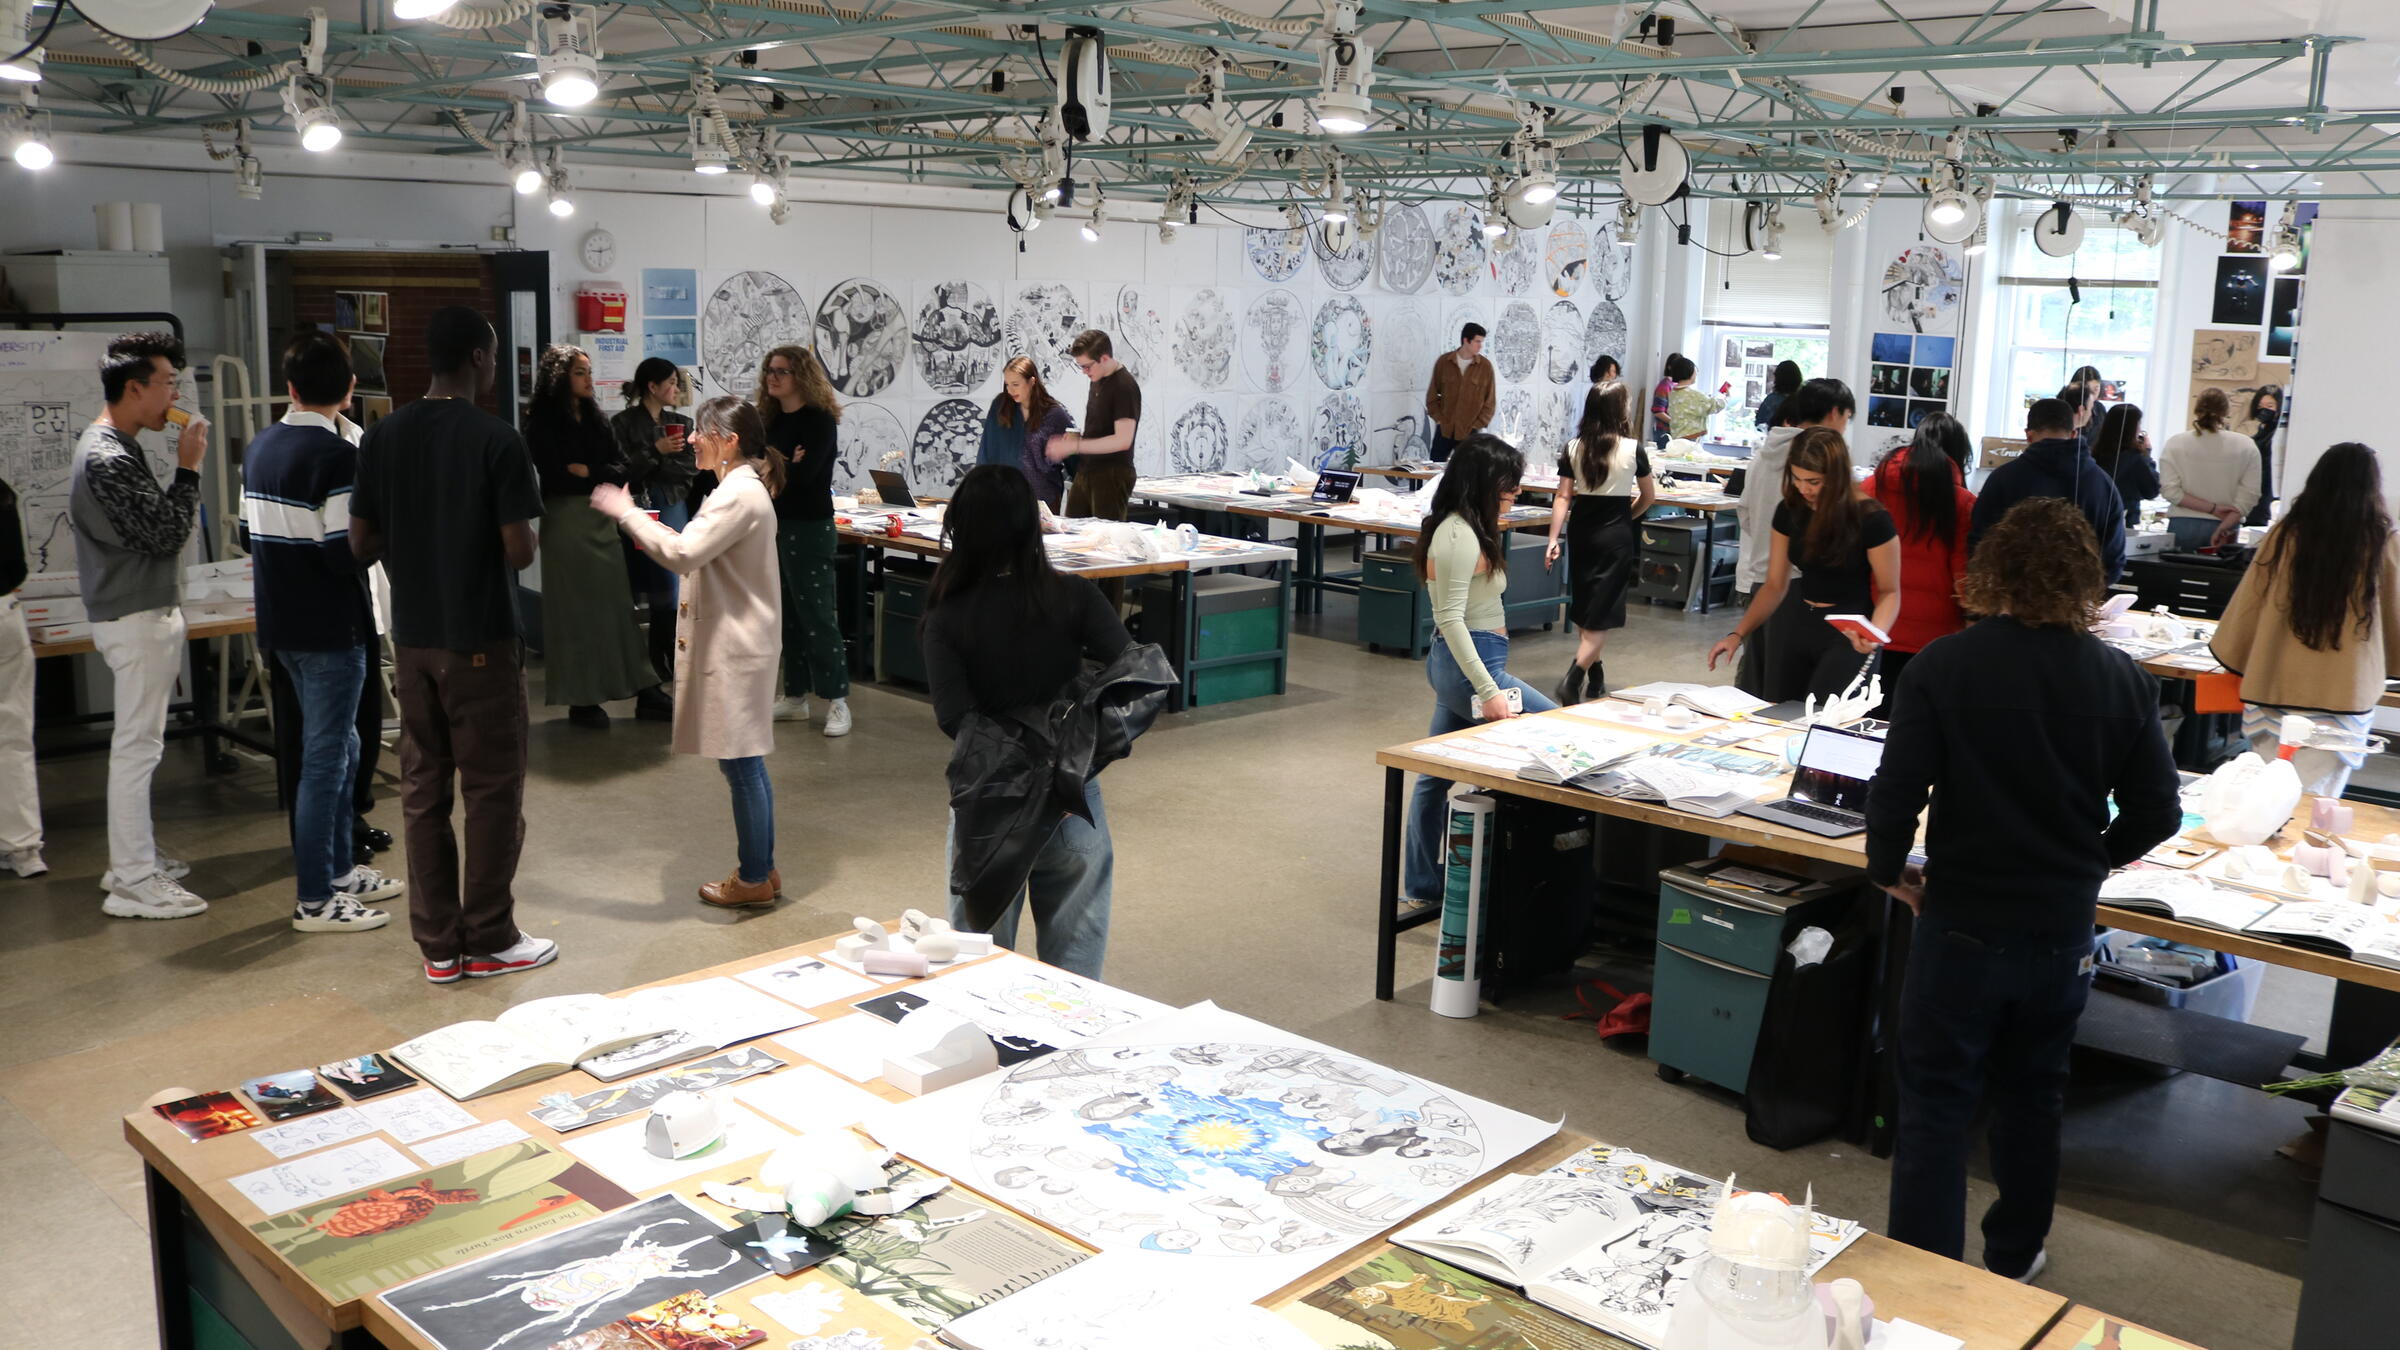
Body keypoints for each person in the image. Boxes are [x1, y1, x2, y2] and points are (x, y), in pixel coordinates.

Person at [1865, 497, 2182, 1282]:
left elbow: (1895, 793)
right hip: (2058, 927)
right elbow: (2159, 811)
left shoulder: (1943, 665)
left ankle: (1931, 1275)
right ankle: (2015, 1256)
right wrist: (2093, 862)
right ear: (2086, 581)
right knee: (2034, 1094)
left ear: (1994, 570)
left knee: (1937, 1099)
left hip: (1961, 915)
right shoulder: (2121, 680)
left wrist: (1886, 871)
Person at [351, 306, 556, 983]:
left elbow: (360, 543)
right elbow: (520, 550)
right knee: (493, 792)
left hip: (412, 640)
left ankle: (440, 945)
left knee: (422, 790)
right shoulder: (497, 440)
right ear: (475, 357)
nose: (494, 366)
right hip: (481, 639)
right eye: (492, 355)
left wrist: (416, 541)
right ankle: (491, 935)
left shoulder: (382, 438)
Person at [924, 465, 1139, 978]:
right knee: (1076, 970)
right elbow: (1138, 672)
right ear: (1031, 526)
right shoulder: (1073, 595)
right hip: (1071, 794)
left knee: (980, 965)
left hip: (989, 802)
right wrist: (1083, 746)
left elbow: (955, 717)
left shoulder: (948, 614)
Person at [593, 396, 787, 906]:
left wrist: (628, 514)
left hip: (738, 645)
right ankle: (762, 870)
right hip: (744, 640)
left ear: (730, 441)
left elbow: (681, 553)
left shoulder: (737, 495)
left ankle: (752, 879)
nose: (693, 439)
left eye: (702, 432)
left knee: (741, 763)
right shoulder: (738, 490)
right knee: (745, 761)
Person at [241, 331, 403, 933]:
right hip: (332, 628)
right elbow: (347, 553)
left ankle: (339, 872)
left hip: (281, 624)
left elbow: (243, 533)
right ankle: (315, 899)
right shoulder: (340, 458)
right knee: (327, 760)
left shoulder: (260, 448)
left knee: (344, 749)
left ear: (290, 388)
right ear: (351, 389)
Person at [69, 332, 210, 919]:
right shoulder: (106, 457)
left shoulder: (117, 447)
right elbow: (167, 535)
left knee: (139, 747)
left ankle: (135, 858)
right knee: (137, 750)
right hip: (134, 617)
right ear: (135, 388)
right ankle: (131, 879)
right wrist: (188, 468)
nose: (175, 395)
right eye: (168, 384)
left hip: (139, 613)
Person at [1403, 434, 1558, 907]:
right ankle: (1518, 875)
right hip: (1469, 669)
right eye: (1507, 486)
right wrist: (1489, 689)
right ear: (1483, 482)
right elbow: (1449, 619)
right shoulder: (1456, 535)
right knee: (1557, 727)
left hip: (1468, 666)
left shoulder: (1468, 526)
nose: (1513, 495)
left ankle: (1424, 885)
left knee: (1434, 777)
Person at [2209, 443, 2400, 798]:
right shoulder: (2381, 539)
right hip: (2343, 696)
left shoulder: (2287, 534)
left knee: (2265, 802)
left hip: (2273, 691)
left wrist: (2234, 655)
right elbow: (2395, 616)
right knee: (2315, 807)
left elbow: (2248, 606)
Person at [526, 345, 669, 729]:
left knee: (616, 608)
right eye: (580, 372)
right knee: (575, 614)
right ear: (560, 378)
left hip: (601, 517)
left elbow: (622, 468)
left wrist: (588, 470)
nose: (589, 379)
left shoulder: (596, 417)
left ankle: (643, 688)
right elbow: (555, 474)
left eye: (588, 371)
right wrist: (599, 473)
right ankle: (582, 698)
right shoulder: (541, 421)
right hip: (567, 521)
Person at [1708, 429, 1900, 701]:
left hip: (1848, 629)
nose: (1804, 488)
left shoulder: (1872, 518)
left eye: (1814, 481)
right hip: (1797, 621)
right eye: (1796, 479)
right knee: (1780, 714)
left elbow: (1891, 592)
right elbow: (1775, 585)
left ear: (1837, 477)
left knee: (1827, 720)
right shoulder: (1790, 510)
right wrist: (1738, 633)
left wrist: (1875, 634)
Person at [1733, 379, 1855, 696]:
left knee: (1756, 687)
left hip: (1757, 577)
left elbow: (1743, 512)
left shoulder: (1762, 455)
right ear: (1833, 413)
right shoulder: (1822, 460)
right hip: (1798, 584)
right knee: (1792, 695)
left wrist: (1766, 542)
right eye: (1846, 417)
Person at [754, 346, 853, 737]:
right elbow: (760, 470)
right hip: (775, 526)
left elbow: (805, 477)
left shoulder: (819, 421)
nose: (773, 378)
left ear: (802, 377)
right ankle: (795, 696)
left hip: (810, 526)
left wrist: (779, 469)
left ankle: (837, 699)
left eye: (783, 371)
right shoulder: (770, 420)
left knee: (816, 614)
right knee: (786, 616)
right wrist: (781, 465)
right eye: (770, 371)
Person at [1542, 383, 1654, 704]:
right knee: (1600, 615)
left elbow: (1563, 497)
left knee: (1588, 606)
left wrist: (1553, 538)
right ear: (1620, 409)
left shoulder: (1574, 447)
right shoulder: (1633, 449)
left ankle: (1596, 674)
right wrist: (1626, 518)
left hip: (1581, 532)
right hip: (1615, 536)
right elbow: (1649, 497)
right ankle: (1573, 678)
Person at [1863, 412, 1976, 702]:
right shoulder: (1962, 502)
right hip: (1938, 633)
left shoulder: (1871, 488)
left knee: (1872, 716)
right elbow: (1962, 573)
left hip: (1877, 622)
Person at [1968, 397, 2126, 584]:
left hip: (2011, 603)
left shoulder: (2003, 479)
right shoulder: (2103, 485)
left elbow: (1979, 548)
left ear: (2028, 435)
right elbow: (2113, 561)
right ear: (2074, 434)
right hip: (2076, 606)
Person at [611, 358, 696, 685]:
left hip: (672, 504)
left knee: (671, 581)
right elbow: (623, 471)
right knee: (640, 582)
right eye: (672, 382)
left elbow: (689, 469)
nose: (676, 389)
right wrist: (656, 451)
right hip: (637, 507)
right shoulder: (623, 423)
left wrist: (652, 462)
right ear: (652, 387)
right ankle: (641, 662)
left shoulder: (682, 423)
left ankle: (667, 657)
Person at [2158, 389, 2261, 552]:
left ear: (2197, 410)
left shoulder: (2175, 443)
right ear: (2227, 411)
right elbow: (2250, 495)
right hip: (2227, 524)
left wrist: (2213, 508)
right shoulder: (2246, 445)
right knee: (2218, 577)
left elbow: (2170, 491)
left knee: (2180, 575)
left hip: (2184, 524)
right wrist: (2225, 524)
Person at [0, 465, 39, 881]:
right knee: (13, 735)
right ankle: (23, 848)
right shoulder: (2, 493)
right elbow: (16, 570)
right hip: (3, 616)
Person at [1057, 330, 1143, 519]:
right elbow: (1101, 429)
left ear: (1104, 358)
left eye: (1087, 366)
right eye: (1081, 367)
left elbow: (1123, 440)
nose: (1084, 372)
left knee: (1105, 541)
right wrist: (1077, 439)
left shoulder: (1124, 386)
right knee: (1071, 532)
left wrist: (1078, 445)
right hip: (1087, 469)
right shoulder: (1097, 379)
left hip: (1112, 474)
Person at [977, 355, 1076, 509]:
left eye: (1015, 384)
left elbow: (1074, 457)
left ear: (1031, 381)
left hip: (1044, 499)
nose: (1010, 390)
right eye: (1007, 384)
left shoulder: (1054, 414)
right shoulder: (1000, 406)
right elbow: (986, 449)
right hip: (1004, 496)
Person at [1423, 324, 1496, 464]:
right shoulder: (1444, 363)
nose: (1480, 346)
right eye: (1477, 341)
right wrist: (1439, 419)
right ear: (1466, 340)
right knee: (1434, 469)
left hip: (1471, 432)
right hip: (1445, 430)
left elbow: (1490, 401)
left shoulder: (1485, 367)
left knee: (1468, 473)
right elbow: (1432, 395)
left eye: (1481, 342)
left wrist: (1477, 425)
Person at [2088, 403, 2157, 530]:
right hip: (2124, 519)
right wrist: (2147, 456)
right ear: (2133, 428)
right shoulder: (2135, 458)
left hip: (2095, 518)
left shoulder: (2094, 454)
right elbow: (2151, 490)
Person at [1661, 354, 1726, 444]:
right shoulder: (1694, 395)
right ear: (1689, 372)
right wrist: (1726, 397)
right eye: (1695, 372)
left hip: (1676, 437)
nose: (1696, 374)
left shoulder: (1673, 393)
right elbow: (1715, 405)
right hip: (1691, 438)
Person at [2245, 385, 2283, 526]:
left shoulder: (2276, 436)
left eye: (2270, 405)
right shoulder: (2261, 432)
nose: (2264, 410)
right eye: (2260, 405)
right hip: (2252, 492)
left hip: (2264, 496)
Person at [1754, 360, 1803, 433]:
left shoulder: (1771, 400)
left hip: (1775, 440)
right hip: (1799, 440)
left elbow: (1759, 424)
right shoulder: (1804, 400)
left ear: (1777, 378)